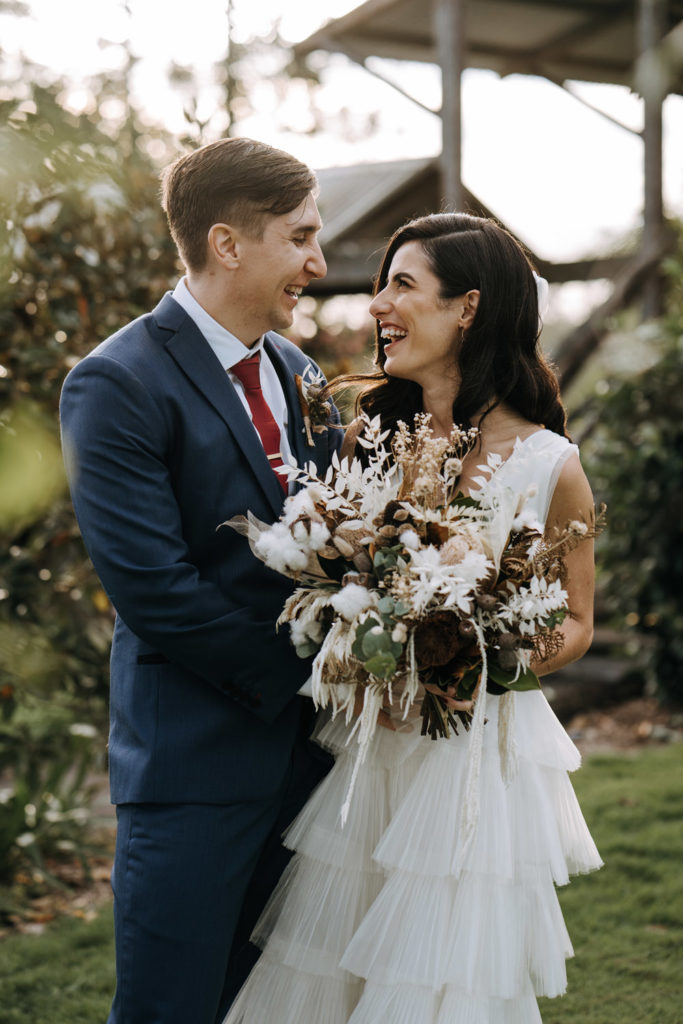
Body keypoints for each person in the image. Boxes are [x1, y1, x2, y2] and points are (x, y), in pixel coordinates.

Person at [223, 212, 603, 1023]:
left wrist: (477, 658)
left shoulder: (547, 463)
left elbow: (574, 621)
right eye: (379, 285)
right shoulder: (366, 438)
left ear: (467, 308)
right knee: (334, 966)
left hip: (468, 764)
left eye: (402, 284)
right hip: (365, 757)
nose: (376, 306)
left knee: (435, 979)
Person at [59, 136, 342, 1024]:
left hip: (314, 764)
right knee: (170, 1008)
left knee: (275, 1005)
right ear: (228, 244)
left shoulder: (301, 374)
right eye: (299, 238)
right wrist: (318, 672)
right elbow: (156, 593)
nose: (317, 263)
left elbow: (344, 539)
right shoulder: (116, 382)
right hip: (193, 767)